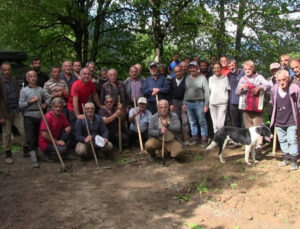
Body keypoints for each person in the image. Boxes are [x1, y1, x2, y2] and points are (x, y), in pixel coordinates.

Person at [236, 60, 270, 157]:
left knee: (258, 129)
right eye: (245, 69)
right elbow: (237, 92)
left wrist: (259, 87)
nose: (247, 70)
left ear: (253, 68)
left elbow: (268, 86)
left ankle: (258, 150)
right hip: (246, 108)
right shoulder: (243, 79)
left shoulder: (259, 77)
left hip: (257, 108)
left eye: (249, 69)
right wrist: (242, 87)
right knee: (249, 129)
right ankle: (251, 149)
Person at [19, 70, 51, 168]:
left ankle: (38, 155)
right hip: (29, 115)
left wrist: (45, 104)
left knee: (38, 135)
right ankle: (34, 159)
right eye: (31, 77)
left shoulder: (40, 89)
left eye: (34, 76)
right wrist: (30, 101)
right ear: (28, 78)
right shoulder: (24, 90)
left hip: (39, 114)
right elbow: (20, 105)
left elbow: (49, 97)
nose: (33, 78)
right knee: (30, 137)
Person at [270, 70, 300, 170]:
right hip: (279, 120)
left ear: (288, 79)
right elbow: (273, 102)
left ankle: (294, 160)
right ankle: (286, 158)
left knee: (292, 140)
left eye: (283, 79)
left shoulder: (294, 88)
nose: (281, 82)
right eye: (279, 80)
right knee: (282, 140)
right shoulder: (274, 89)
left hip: (291, 119)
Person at [0, 62, 27, 163]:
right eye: (4, 70)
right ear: (1, 71)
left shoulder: (13, 80)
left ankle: (25, 149)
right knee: (7, 134)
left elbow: (18, 93)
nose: (7, 72)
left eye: (8, 70)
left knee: (23, 130)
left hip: (16, 110)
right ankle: (8, 154)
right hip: (5, 113)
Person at [182, 61, 209, 147]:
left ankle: (204, 139)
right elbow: (185, 91)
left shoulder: (202, 78)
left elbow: (207, 92)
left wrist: (206, 105)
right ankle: (195, 138)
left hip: (199, 102)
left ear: (198, 69)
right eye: (191, 67)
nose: (192, 69)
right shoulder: (187, 78)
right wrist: (184, 103)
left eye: (194, 67)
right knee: (192, 122)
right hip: (188, 103)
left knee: (202, 121)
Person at [169, 66, 191, 145]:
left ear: (182, 71)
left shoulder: (187, 80)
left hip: (184, 101)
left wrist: (185, 103)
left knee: (185, 121)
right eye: (176, 72)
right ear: (174, 73)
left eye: (179, 71)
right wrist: (171, 104)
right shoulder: (172, 81)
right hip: (175, 101)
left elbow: (188, 92)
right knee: (176, 120)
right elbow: (170, 93)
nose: (178, 73)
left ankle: (187, 138)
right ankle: (178, 138)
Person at [208, 63, 230, 134]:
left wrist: (226, 99)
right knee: (215, 123)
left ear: (221, 69)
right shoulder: (210, 79)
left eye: (218, 68)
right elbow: (209, 91)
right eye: (215, 68)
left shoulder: (225, 78)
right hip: (212, 103)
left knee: (220, 124)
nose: (216, 69)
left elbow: (228, 90)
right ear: (213, 69)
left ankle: (221, 138)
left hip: (222, 103)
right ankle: (216, 138)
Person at [227, 59, 245, 128]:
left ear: (236, 64)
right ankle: (236, 138)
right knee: (235, 123)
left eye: (232, 65)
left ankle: (243, 138)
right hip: (232, 103)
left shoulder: (243, 72)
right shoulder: (229, 75)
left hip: (242, 101)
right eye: (229, 66)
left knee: (243, 123)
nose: (231, 67)